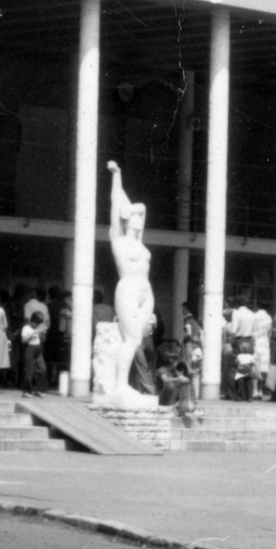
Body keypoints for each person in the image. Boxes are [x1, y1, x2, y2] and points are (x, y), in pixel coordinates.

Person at [106, 161, 155, 404]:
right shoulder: (118, 240)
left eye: (140, 216)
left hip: (146, 293)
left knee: (138, 341)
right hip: (127, 289)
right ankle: (121, 385)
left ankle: (125, 385)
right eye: (134, 215)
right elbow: (116, 204)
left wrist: (138, 207)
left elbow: (142, 209)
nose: (139, 219)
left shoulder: (140, 243)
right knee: (132, 339)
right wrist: (118, 175)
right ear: (127, 220)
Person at [19, 311, 47, 397]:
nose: (36, 325)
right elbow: (23, 340)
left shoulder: (39, 328)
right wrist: (34, 332)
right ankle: (27, 391)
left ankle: (39, 389)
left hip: (38, 349)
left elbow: (43, 340)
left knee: (43, 369)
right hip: (30, 348)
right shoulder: (26, 328)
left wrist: (42, 334)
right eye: (36, 323)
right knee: (29, 371)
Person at [251, 298, 274, 398]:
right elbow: (270, 333)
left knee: (255, 367)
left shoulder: (254, 316)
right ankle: (260, 390)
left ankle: (254, 390)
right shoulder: (269, 318)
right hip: (265, 343)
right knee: (263, 368)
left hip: (255, 342)